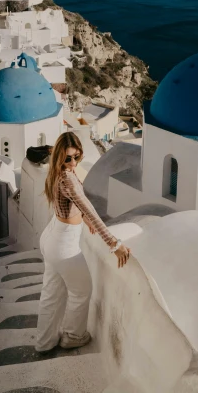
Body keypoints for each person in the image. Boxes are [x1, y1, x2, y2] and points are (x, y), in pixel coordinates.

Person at [35, 131, 130, 352]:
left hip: (52, 236)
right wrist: (114, 245)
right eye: (68, 158)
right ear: (59, 156)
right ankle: (73, 336)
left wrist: (84, 219)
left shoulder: (56, 173)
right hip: (63, 243)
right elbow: (89, 208)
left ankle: (44, 341)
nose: (73, 162)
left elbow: (75, 206)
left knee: (51, 292)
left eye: (77, 157)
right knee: (82, 290)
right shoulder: (68, 179)